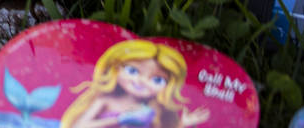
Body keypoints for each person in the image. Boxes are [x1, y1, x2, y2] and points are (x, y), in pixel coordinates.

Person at [60, 40, 209, 128]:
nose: (141, 81)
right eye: (132, 70)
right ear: (115, 67)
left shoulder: (154, 109)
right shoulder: (106, 101)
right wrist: (119, 119)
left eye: (157, 80)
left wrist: (183, 123)